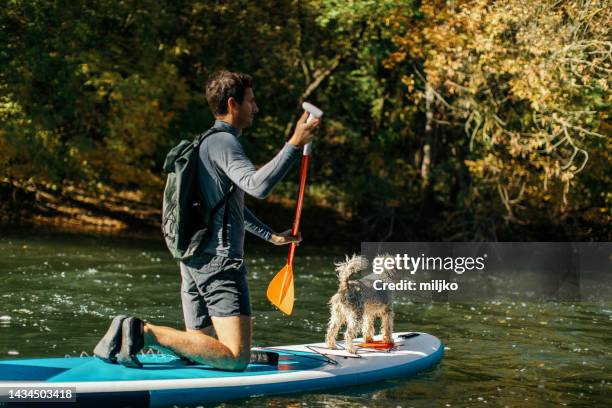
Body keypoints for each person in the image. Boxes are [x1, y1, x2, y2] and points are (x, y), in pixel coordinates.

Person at [93, 70, 320, 371]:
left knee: (200, 349)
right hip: (219, 262)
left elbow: (227, 204)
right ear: (232, 103)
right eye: (251, 101)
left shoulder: (205, 142)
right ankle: (140, 332)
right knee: (236, 358)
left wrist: (271, 236)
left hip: (193, 261)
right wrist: (293, 144)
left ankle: (142, 335)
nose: (256, 108)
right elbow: (258, 186)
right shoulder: (225, 143)